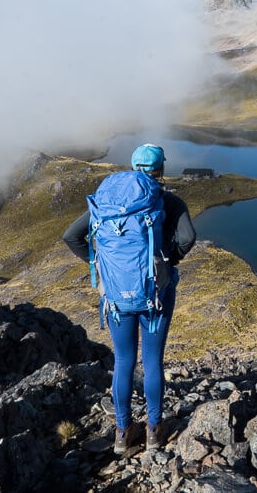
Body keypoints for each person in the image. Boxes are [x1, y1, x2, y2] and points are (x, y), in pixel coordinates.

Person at [62, 143, 196, 454]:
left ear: (134, 167)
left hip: (115, 300)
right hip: (155, 296)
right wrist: (167, 262)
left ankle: (122, 433)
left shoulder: (107, 201)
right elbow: (188, 238)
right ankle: (153, 431)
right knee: (152, 362)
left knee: (123, 361)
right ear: (160, 169)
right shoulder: (168, 201)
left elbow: (71, 236)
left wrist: (101, 267)